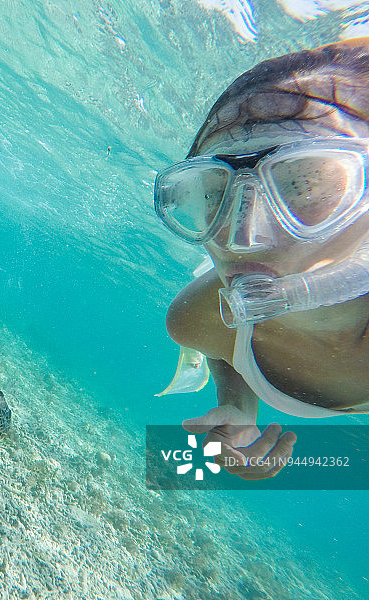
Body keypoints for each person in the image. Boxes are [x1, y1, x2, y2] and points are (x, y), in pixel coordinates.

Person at [155, 38, 369, 480]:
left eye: (307, 187)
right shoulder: (197, 319)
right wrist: (236, 403)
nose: (242, 237)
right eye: (210, 194)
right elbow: (229, 341)